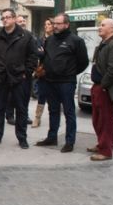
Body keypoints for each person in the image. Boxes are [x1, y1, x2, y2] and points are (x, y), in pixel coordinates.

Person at [34, 13, 89, 153]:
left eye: (58, 24)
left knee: (69, 112)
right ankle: (52, 137)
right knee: (53, 110)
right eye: (54, 24)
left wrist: (69, 72)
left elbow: (83, 63)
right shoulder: (50, 40)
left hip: (66, 82)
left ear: (66, 24)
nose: (55, 26)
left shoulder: (76, 41)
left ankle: (70, 142)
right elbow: (46, 57)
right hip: (50, 81)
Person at [0, 9, 38, 149]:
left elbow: (33, 57)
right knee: (0, 109)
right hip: (1, 79)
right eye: (3, 18)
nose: (5, 20)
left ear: (14, 19)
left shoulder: (26, 36)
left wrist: (26, 72)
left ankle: (22, 138)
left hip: (20, 79)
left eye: (8, 17)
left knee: (21, 109)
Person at [89, 19, 113, 161]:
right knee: (97, 119)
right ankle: (101, 144)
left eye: (103, 25)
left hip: (105, 88)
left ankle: (106, 151)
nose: (100, 27)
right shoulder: (105, 43)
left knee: (105, 120)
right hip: (98, 86)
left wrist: (104, 85)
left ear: (112, 28)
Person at [6, 15, 35, 125]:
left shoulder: (29, 35)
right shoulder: (9, 36)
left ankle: (24, 115)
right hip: (12, 73)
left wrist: (28, 71)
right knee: (11, 96)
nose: (23, 23)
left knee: (25, 95)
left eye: (24, 21)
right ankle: (10, 115)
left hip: (25, 73)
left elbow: (34, 53)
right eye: (20, 21)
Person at [32, 17, 54, 128]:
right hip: (42, 71)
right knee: (41, 95)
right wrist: (44, 53)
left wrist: (44, 52)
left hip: (54, 72)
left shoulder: (56, 39)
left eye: (49, 24)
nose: (46, 26)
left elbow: (53, 55)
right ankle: (37, 118)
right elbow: (37, 53)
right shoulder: (40, 40)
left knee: (53, 98)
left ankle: (53, 119)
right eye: (45, 24)